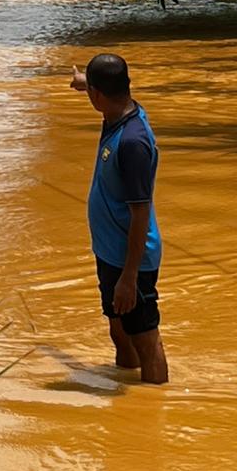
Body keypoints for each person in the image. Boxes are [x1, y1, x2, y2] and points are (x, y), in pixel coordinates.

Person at [70, 53, 167, 385]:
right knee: (119, 330)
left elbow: (140, 213)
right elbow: (111, 90)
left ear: (99, 95)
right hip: (110, 251)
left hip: (131, 259)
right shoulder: (115, 113)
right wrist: (88, 84)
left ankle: (155, 405)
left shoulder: (132, 143)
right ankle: (126, 392)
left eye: (92, 91)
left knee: (144, 337)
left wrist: (128, 278)